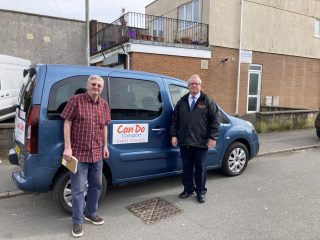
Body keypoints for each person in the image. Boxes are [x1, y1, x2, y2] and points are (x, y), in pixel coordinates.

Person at [61, 75, 111, 237]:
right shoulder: (76, 100)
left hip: (97, 153)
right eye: (93, 84)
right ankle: (77, 222)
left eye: (99, 85)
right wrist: (67, 148)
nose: (96, 87)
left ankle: (91, 213)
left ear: (102, 88)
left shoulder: (104, 104)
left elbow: (104, 126)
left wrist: (105, 146)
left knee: (96, 186)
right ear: (88, 85)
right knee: (77, 190)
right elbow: (67, 122)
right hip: (78, 153)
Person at [170, 74, 220, 203]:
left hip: (201, 142)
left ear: (200, 85)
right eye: (191, 83)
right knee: (186, 167)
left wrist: (213, 137)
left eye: (196, 83)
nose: (193, 86)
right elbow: (175, 120)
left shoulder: (206, 100)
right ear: (188, 86)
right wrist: (174, 135)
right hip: (185, 142)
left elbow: (215, 120)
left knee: (200, 168)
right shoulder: (182, 101)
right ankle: (188, 189)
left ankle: (201, 191)